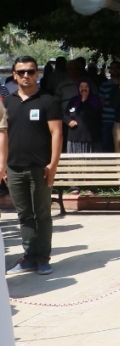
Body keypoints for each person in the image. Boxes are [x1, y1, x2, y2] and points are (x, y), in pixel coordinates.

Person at [4, 56, 62, 276]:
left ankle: (43, 257)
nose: (26, 76)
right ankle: (29, 256)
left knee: (42, 214)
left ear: (37, 73)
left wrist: (53, 164)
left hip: (40, 167)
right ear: (15, 75)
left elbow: (57, 133)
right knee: (24, 215)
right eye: (21, 72)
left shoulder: (47, 101)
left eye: (30, 71)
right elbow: (3, 136)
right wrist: (3, 166)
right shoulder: (7, 103)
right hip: (14, 167)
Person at [64, 80, 102, 153]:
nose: (84, 89)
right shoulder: (73, 100)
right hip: (74, 137)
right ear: (78, 88)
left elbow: (94, 114)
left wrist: (84, 101)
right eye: (81, 87)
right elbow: (65, 115)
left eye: (86, 87)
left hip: (89, 138)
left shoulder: (95, 100)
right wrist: (69, 121)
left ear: (90, 88)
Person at [98, 60, 120, 151]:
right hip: (107, 120)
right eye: (112, 68)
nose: (115, 70)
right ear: (110, 70)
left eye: (117, 67)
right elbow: (101, 103)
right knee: (106, 146)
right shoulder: (104, 85)